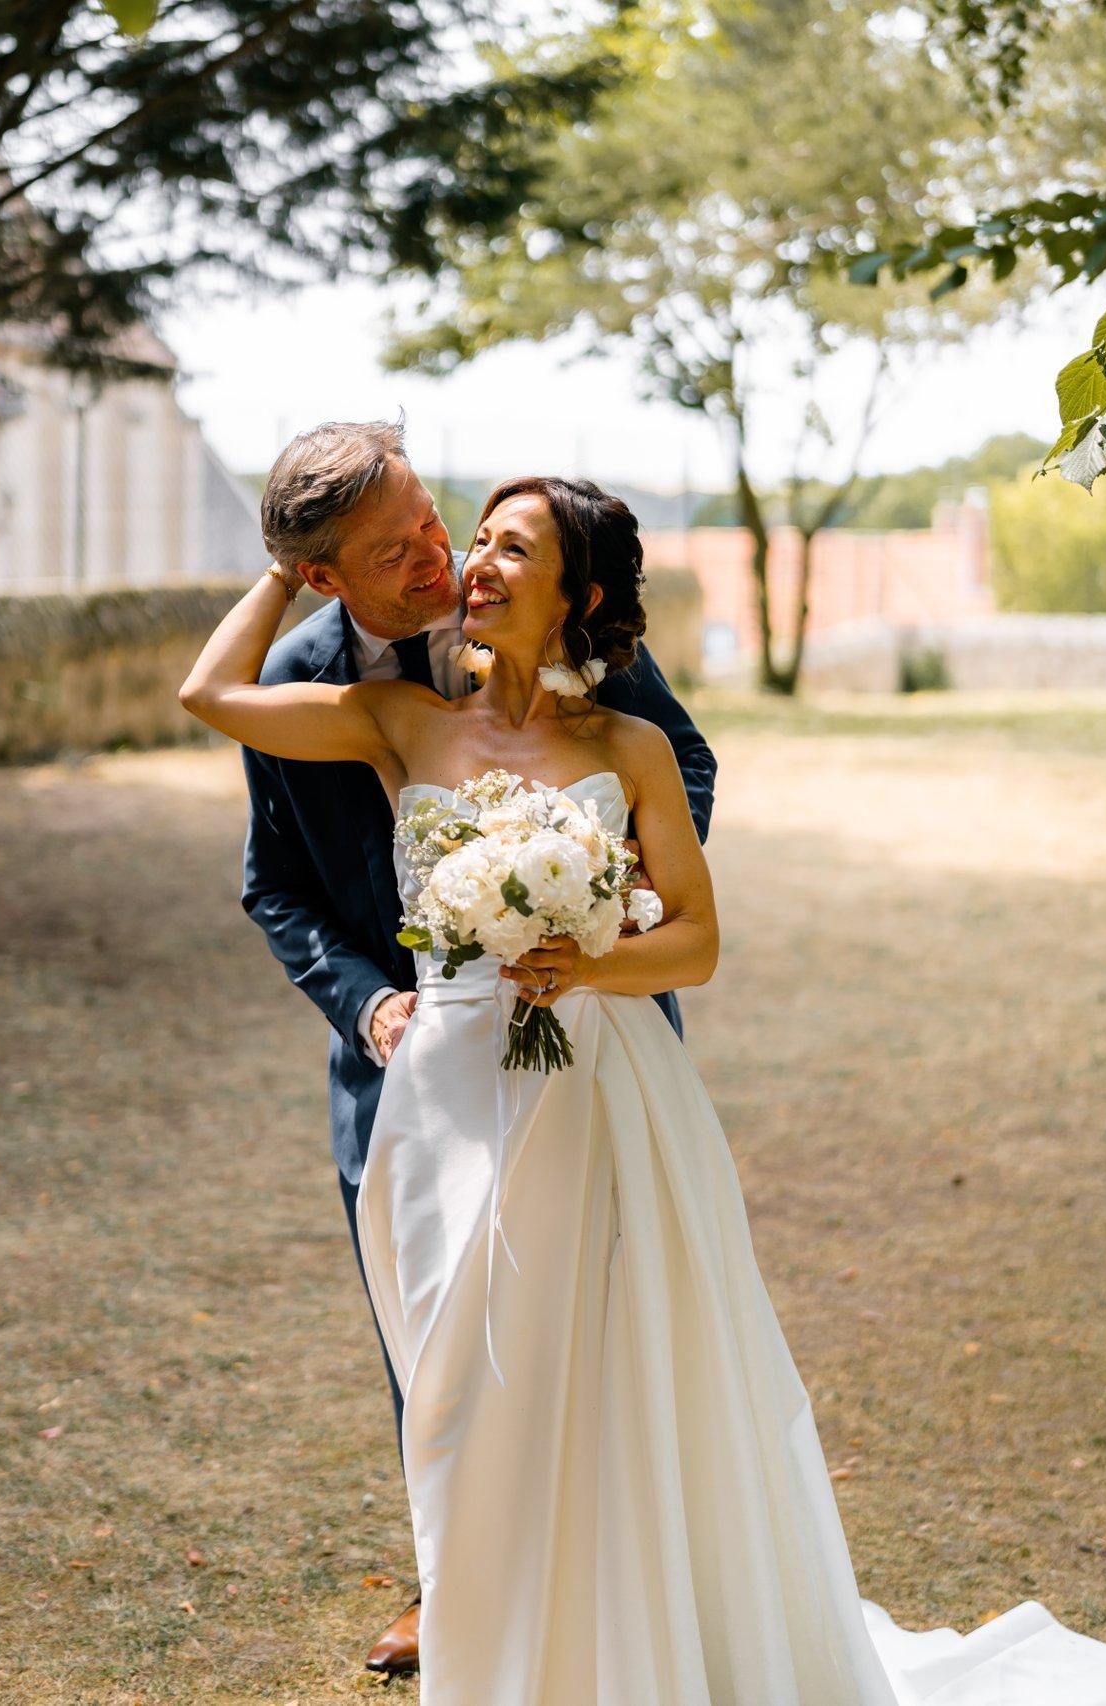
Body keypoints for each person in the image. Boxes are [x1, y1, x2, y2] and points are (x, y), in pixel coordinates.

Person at [180, 467, 1106, 1704]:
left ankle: (615, 1643)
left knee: (597, 1367)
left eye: (512, 549)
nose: (471, 561)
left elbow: (701, 941)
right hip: (438, 1098)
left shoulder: (627, 745)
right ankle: (492, 1643)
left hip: (590, 1084)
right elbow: (210, 696)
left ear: (577, 593)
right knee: (459, 1379)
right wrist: (282, 561)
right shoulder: (392, 716)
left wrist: (590, 947)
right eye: (476, 540)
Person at [233, 420, 717, 1674]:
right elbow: (273, 884)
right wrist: (367, 1003)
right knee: (438, 1329)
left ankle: (612, 1574)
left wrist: (595, 895)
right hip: (415, 1057)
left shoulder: (547, 614)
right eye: (398, 547)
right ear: (328, 576)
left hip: (586, 1022)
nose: (442, 554)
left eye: (433, 516)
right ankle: (457, 1583)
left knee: (597, 1309)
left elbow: (681, 769)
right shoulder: (312, 675)